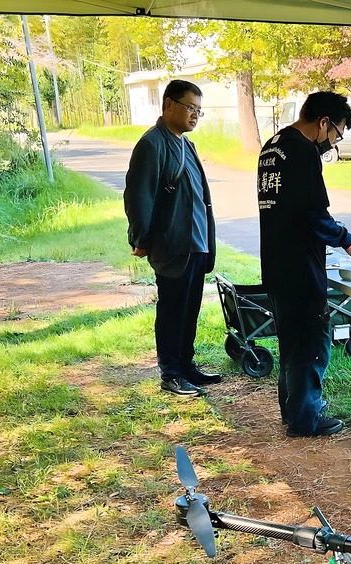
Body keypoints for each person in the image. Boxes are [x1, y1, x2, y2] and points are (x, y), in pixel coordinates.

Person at [258, 91, 351, 437]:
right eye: (337, 133)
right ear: (323, 123)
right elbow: (315, 215)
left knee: (290, 341)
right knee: (311, 340)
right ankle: (306, 418)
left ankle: (293, 410)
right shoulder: (303, 151)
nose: (334, 142)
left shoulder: (272, 146)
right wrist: (348, 240)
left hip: (275, 260)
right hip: (300, 265)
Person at [124, 79, 220, 397]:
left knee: (189, 309)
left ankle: (187, 365)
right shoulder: (152, 143)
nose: (194, 115)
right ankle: (171, 373)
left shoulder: (186, 144)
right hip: (173, 245)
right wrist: (141, 238)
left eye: (199, 110)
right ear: (168, 105)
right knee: (172, 311)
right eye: (190, 107)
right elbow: (139, 197)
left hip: (196, 244)